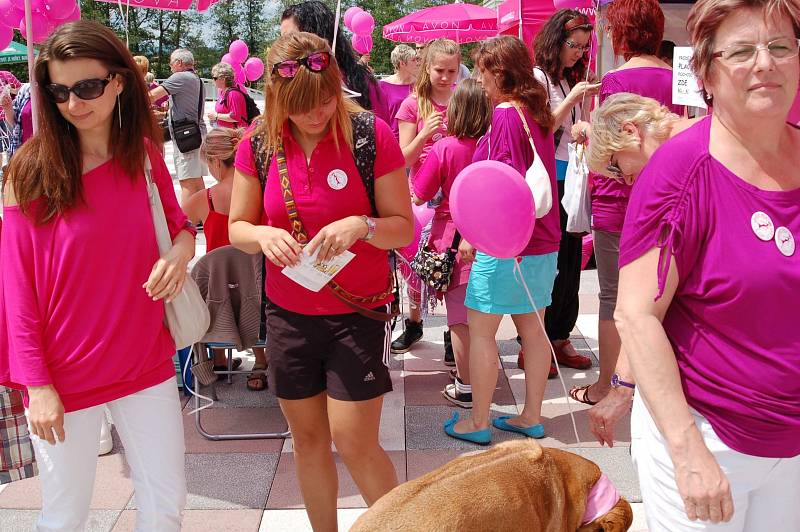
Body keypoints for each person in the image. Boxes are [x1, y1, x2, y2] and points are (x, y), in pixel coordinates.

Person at [0, 20, 192, 530]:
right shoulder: (30, 171)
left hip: (143, 357)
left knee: (165, 502)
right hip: (63, 373)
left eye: (87, 87)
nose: (73, 104)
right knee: (64, 516)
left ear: (119, 81)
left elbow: (180, 229)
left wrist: (178, 254)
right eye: (59, 91)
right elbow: (16, 291)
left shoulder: (144, 156)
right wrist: (36, 384)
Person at [617, 0, 800, 529]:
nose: (765, 63)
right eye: (742, 51)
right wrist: (687, 451)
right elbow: (637, 315)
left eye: (780, 46)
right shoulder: (681, 173)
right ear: (706, 74)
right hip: (708, 439)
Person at [228, 32, 413, 531]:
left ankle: (405, 526)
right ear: (277, 97)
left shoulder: (370, 134)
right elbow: (236, 228)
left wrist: (363, 225)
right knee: (307, 441)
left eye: (326, 98)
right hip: (287, 316)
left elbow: (403, 226)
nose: (316, 113)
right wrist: (264, 235)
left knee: (354, 440)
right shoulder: (259, 143)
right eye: (302, 105)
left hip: (357, 313)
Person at [443, 36, 560, 445]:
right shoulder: (538, 111)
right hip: (544, 240)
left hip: (509, 243)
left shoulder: (507, 114)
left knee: (481, 331)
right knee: (534, 329)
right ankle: (531, 415)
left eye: (481, 70)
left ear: (499, 72)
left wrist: (478, 234)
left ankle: (478, 422)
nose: (477, 78)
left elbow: (502, 184)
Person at [569, 0, 683, 407]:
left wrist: (584, 128)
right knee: (664, 294)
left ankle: (608, 384)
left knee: (614, 296)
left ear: (620, 33)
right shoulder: (679, 78)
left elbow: (609, 142)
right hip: (671, 198)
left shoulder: (615, 81)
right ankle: (649, 382)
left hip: (620, 200)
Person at [581, 93, 698, 446]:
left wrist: (622, 386)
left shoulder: (672, 170)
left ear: (630, 131)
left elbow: (647, 298)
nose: (626, 182)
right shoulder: (712, 134)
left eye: (616, 167)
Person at [411, 79, 492, 409]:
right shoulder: (493, 144)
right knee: (485, 319)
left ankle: (466, 386)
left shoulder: (446, 147)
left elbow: (420, 192)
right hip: (493, 237)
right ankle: (485, 379)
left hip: (454, 240)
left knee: (459, 321)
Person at [531, 9, 600, 378]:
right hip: (548, 181)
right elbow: (542, 129)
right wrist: (572, 100)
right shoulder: (539, 78)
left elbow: (567, 127)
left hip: (571, 176)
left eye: (583, 47)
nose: (578, 52)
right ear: (555, 42)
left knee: (571, 260)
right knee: (550, 264)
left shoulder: (566, 78)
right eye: (573, 45)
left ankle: (560, 336)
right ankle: (537, 341)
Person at [183, 127, 269, 391]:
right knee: (249, 280)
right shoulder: (266, 194)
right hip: (264, 295)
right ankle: (261, 361)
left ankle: (220, 357)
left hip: (221, 298)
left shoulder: (203, 200)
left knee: (212, 281)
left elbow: (172, 230)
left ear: (215, 161)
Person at [393, 38, 461, 355]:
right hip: (421, 197)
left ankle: (453, 332)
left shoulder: (464, 100)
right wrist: (425, 134)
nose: (446, 77)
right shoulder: (413, 105)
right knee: (413, 266)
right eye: (439, 70)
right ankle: (414, 323)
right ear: (426, 68)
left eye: (452, 70)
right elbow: (403, 158)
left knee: (453, 267)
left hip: (456, 198)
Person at [280, 0, 390, 125]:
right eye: (282, 39)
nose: (284, 46)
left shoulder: (363, 83)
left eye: (292, 38)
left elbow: (381, 134)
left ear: (317, 35)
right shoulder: (285, 85)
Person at [150, 48, 208, 207]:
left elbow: (152, 95)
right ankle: (204, 217)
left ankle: (188, 222)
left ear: (180, 63)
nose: (170, 68)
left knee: (187, 181)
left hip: (186, 137)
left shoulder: (180, 77)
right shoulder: (197, 79)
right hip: (197, 133)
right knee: (197, 180)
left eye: (171, 64)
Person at [379, 44, 420, 140]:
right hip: (392, 139)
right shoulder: (382, 86)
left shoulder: (420, 84)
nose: (417, 63)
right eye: (413, 60)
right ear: (402, 64)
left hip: (417, 139)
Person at [206, 62, 248, 129]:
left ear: (223, 79)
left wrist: (216, 116)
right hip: (226, 133)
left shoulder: (233, 94)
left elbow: (235, 117)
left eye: (214, 78)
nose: (213, 80)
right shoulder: (223, 92)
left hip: (234, 135)